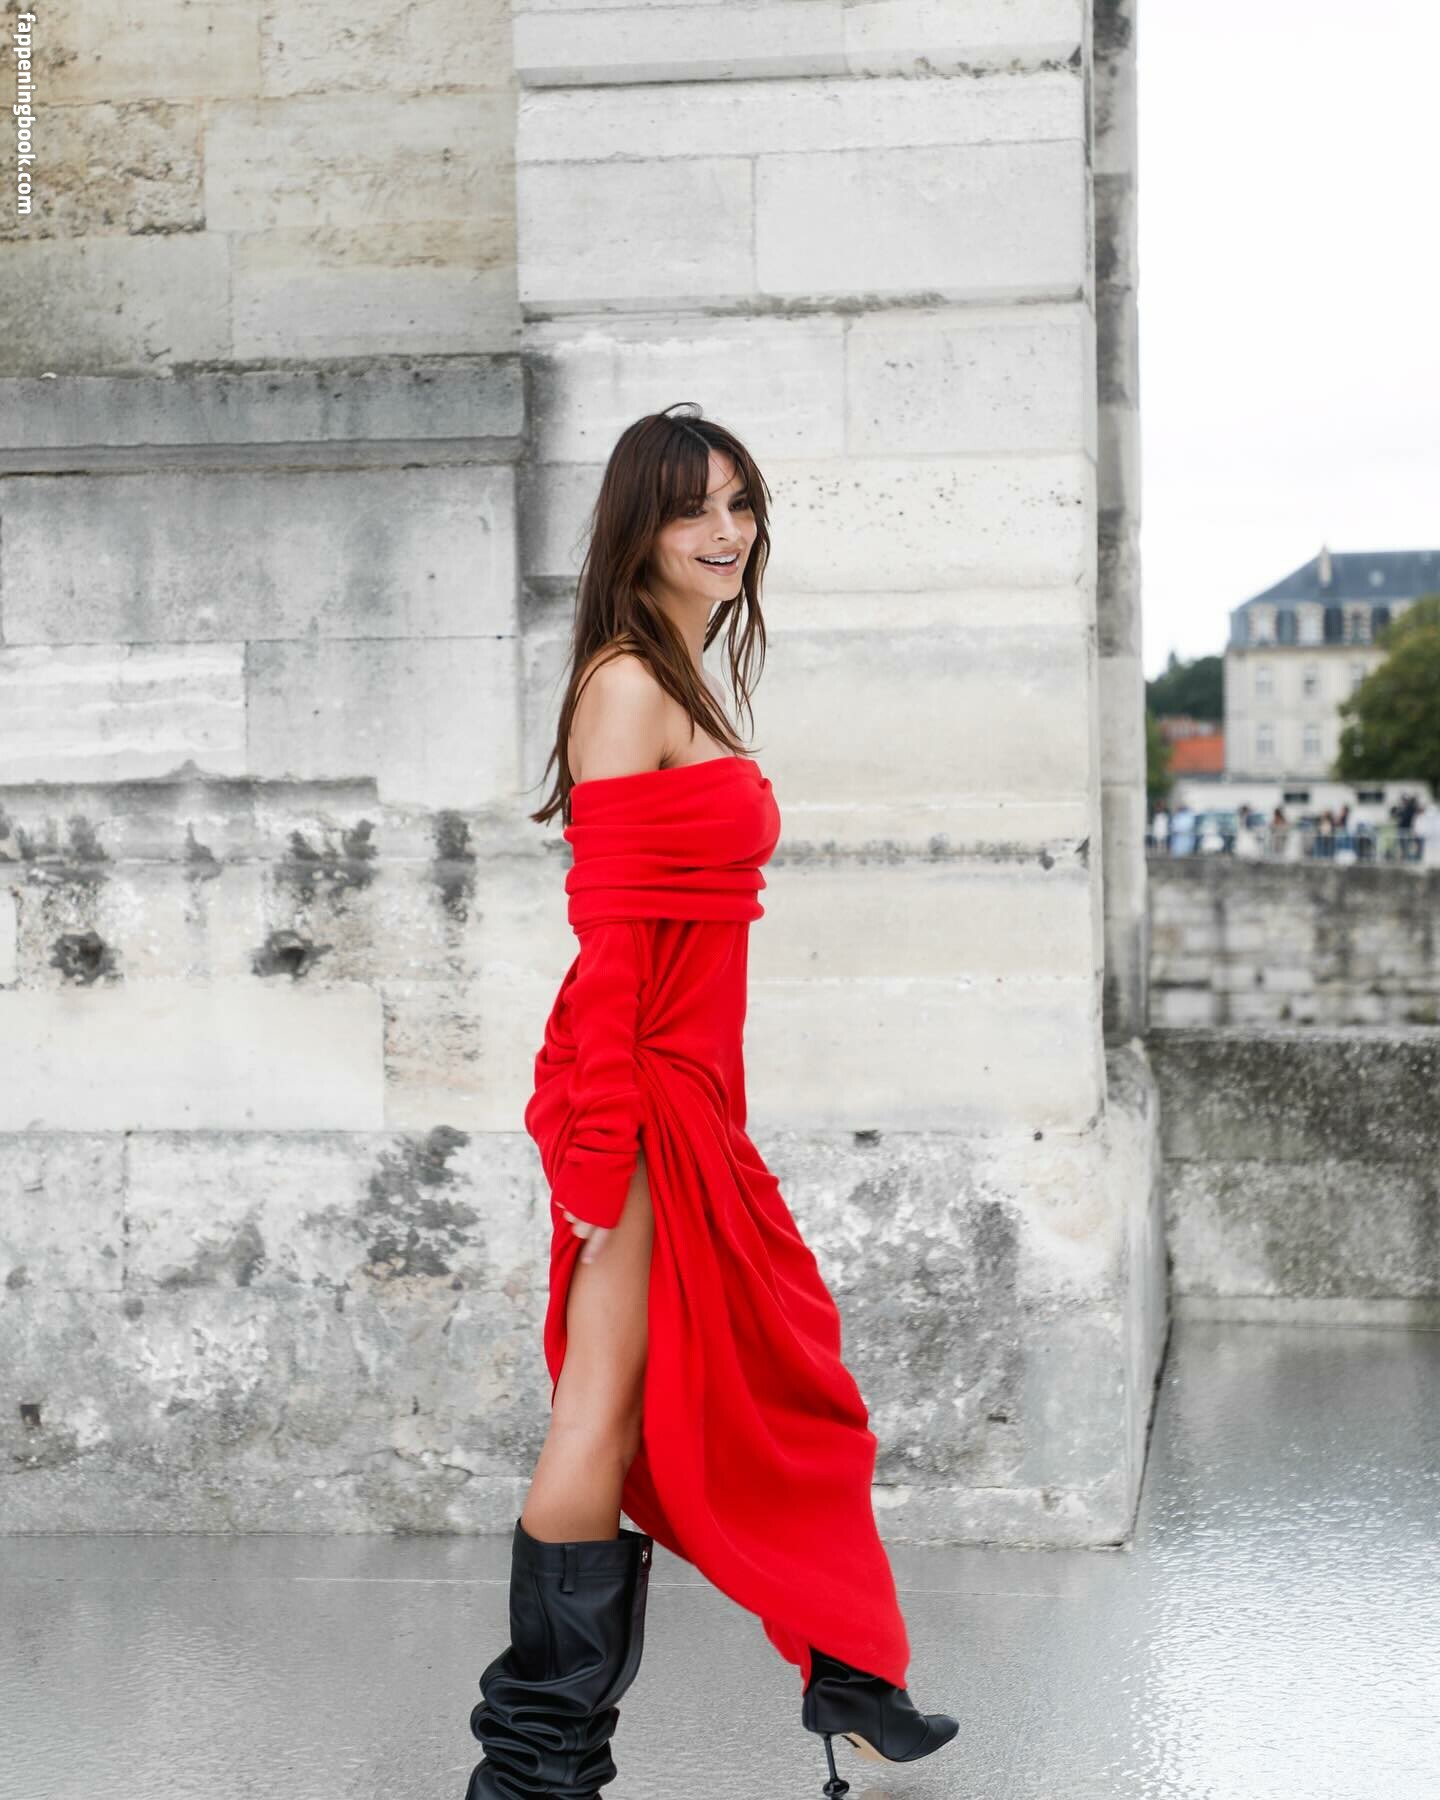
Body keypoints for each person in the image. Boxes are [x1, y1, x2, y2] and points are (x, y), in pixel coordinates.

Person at [462, 404, 958, 1800]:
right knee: (601, 1417)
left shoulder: (675, 675)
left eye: (740, 503)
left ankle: (843, 1675)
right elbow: (613, 943)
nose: (726, 531)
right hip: (635, 1098)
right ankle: (533, 1774)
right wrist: (597, 1148)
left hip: (688, 1099)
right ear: (641, 528)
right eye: (694, 508)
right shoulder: (627, 685)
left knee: (776, 1381)